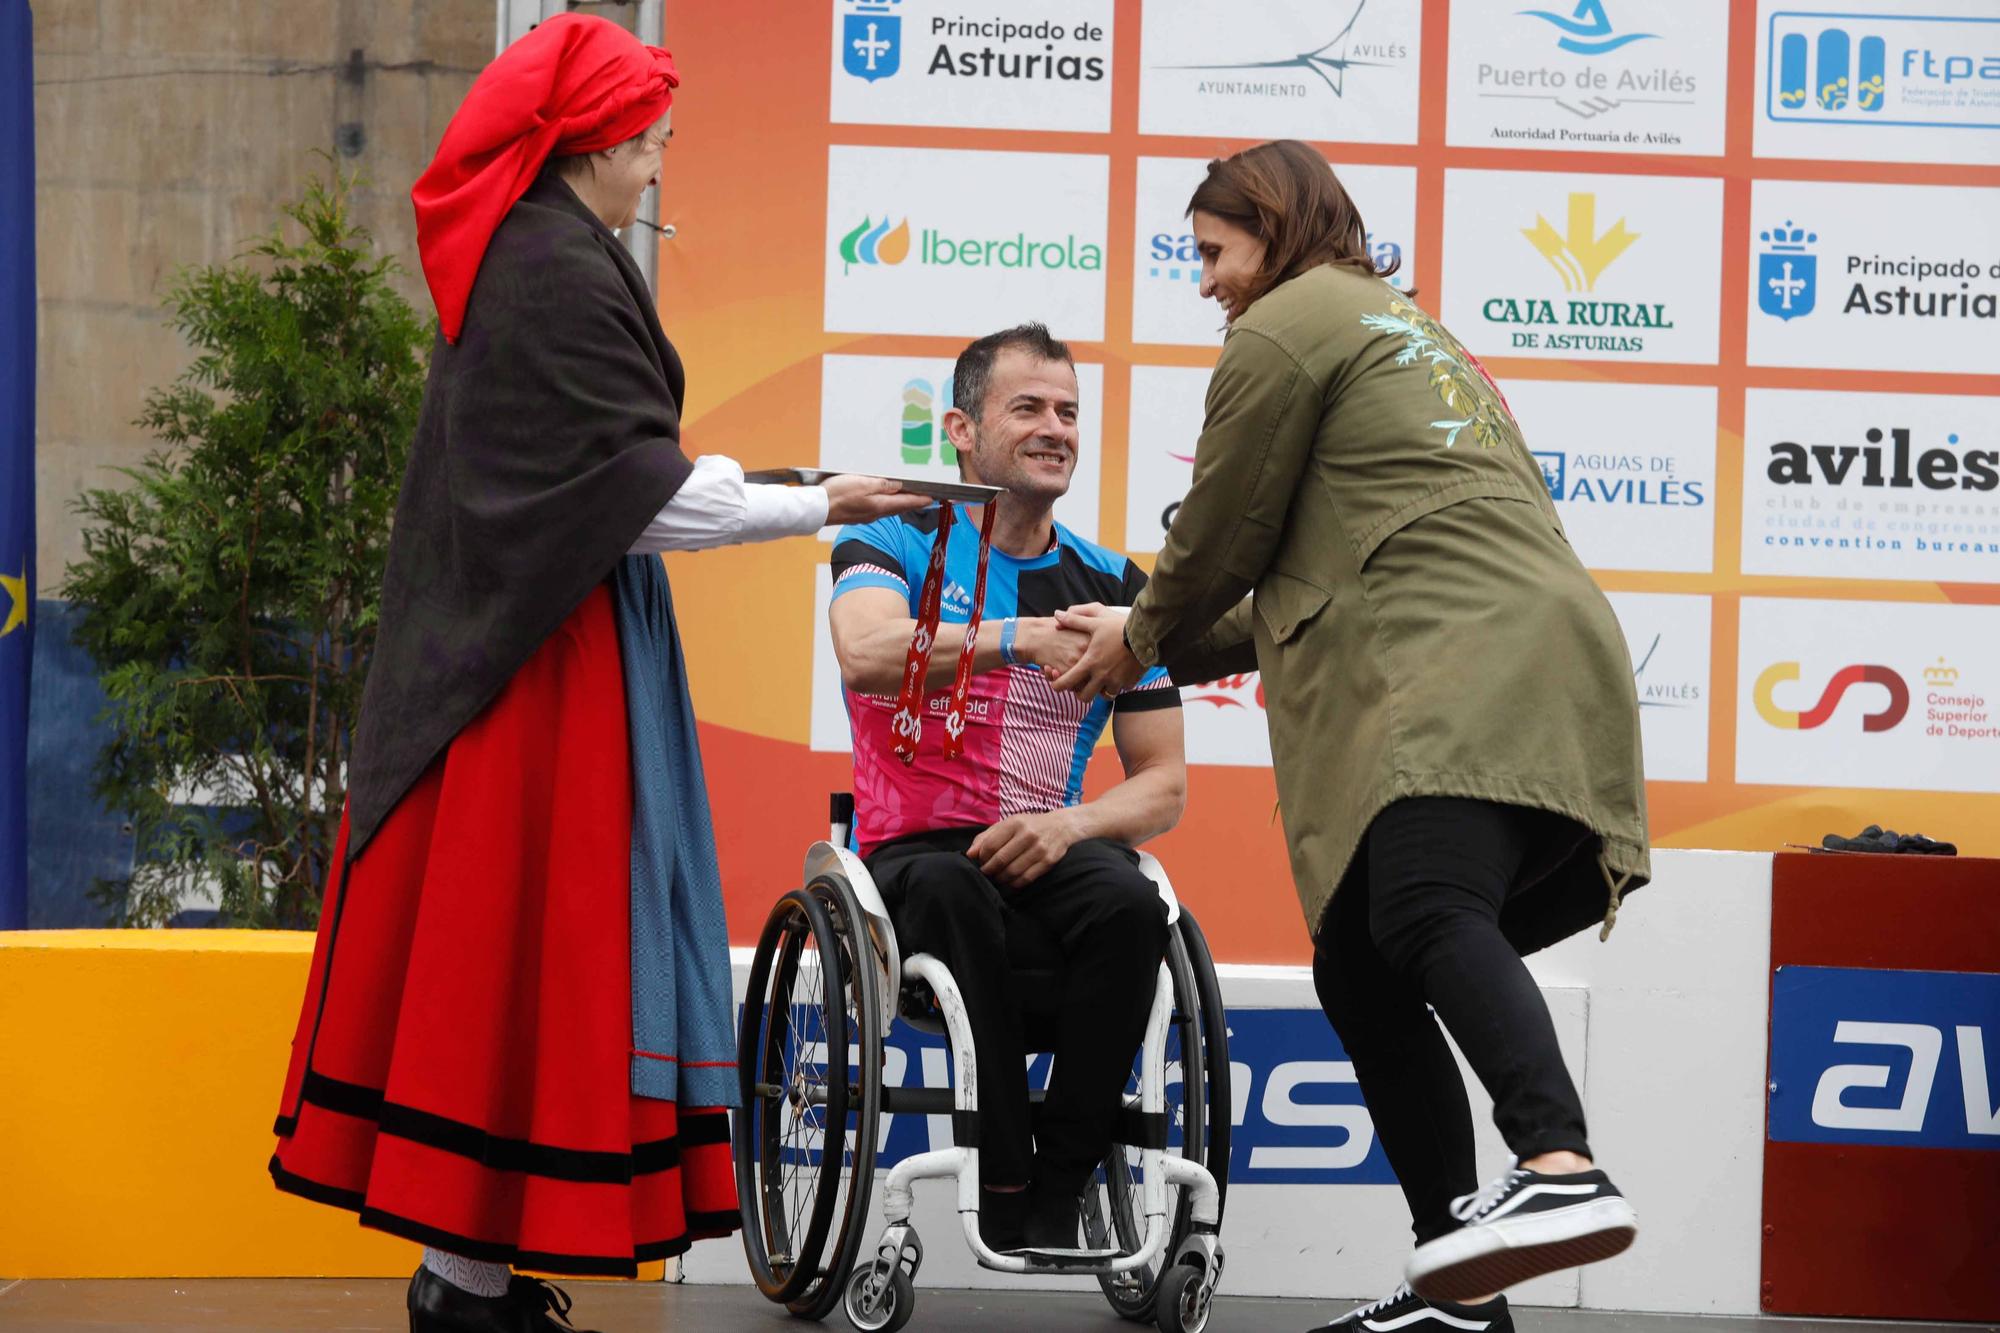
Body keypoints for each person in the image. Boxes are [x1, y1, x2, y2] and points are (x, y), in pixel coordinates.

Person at [265, 18, 927, 1333]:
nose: (662, 167)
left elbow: (614, 480)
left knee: (513, 963)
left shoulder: (530, 250)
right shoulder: (553, 267)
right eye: (656, 142)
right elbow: (632, 497)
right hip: (538, 665)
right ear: (602, 140)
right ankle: (462, 1289)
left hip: (537, 640)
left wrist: (798, 495)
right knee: (536, 949)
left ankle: (470, 1279)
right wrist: (818, 503)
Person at [1053, 141, 1649, 1332]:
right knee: (1363, 966)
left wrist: (1138, 636)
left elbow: (1217, 539)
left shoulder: (1283, 328)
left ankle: (1558, 1164)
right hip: (1535, 658)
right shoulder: (1395, 326)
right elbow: (1279, 590)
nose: (1206, 281)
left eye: (1211, 252)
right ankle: (1453, 1281)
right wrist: (1143, 627)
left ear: (1268, 231)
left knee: (1423, 908)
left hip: (1455, 663)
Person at [827, 324, 1187, 1251]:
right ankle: (1007, 1170)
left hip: (1048, 848)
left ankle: (1058, 1192)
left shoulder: (1115, 585)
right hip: (915, 857)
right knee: (950, 883)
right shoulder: (890, 539)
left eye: (1068, 411)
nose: (1054, 427)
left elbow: (1163, 784)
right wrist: (1016, 634)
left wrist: (1071, 825)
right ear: (960, 428)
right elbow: (867, 655)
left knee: (1132, 904)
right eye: (1027, 406)